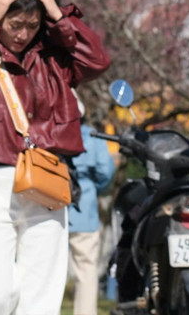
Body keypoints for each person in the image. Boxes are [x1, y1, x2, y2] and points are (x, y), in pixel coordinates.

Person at [0, 0, 110, 315]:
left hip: (44, 178)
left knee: (42, 296)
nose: (22, 33)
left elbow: (97, 61)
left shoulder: (53, 58)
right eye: (15, 24)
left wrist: (57, 14)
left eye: (32, 25)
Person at [66, 97, 115, 315]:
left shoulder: (49, 132)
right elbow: (106, 171)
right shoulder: (92, 137)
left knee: (46, 267)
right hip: (84, 208)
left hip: (51, 205)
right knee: (86, 270)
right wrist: (95, 189)